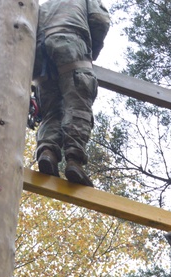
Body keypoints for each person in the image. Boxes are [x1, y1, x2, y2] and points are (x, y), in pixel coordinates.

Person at [32, 0, 111, 187]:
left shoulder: (42, 6)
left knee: (52, 110)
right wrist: (92, 52)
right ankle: (74, 161)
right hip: (69, 43)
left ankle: (47, 153)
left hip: (39, 55)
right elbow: (99, 20)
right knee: (78, 104)